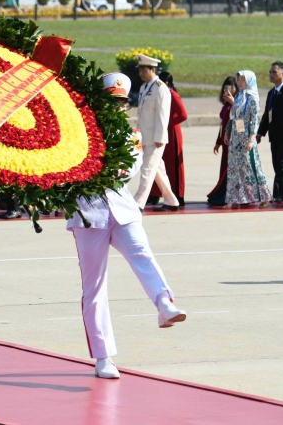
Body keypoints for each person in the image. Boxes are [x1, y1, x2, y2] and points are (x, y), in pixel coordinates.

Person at [67, 73, 186, 380]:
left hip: (121, 208)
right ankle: (103, 356)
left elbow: (127, 168)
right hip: (88, 213)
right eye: (111, 101)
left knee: (143, 254)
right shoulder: (78, 129)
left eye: (120, 102)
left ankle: (164, 303)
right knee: (94, 287)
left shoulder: (128, 133)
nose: (116, 107)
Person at [132, 54, 180, 212]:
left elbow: (163, 114)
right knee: (158, 170)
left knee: (147, 170)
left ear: (152, 70)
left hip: (155, 138)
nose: (140, 73)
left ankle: (138, 203)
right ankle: (172, 201)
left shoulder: (160, 88)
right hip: (144, 136)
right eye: (140, 70)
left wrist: (160, 137)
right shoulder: (145, 87)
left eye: (143, 70)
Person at [226, 70, 272, 207]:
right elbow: (234, 116)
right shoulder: (240, 96)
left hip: (246, 139)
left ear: (249, 81)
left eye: (243, 80)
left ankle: (265, 196)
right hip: (236, 138)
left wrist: (252, 138)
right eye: (238, 80)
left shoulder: (252, 98)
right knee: (235, 169)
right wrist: (228, 132)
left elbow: (254, 121)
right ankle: (237, 198)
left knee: (252, 168)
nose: (240, 83)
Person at [147, 72, 187, 206]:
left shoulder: (172, 94)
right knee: (156, 162)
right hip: (160, 132)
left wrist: (166, 123)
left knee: (172, 166)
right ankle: (154, 193)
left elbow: (183, 115)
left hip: (172, 134)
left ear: (167, 83)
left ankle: (177, 195)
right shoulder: (159, 93)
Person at [257, 62, 283, 203]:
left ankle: (277, 196)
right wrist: (260, 133)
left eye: (274, 72)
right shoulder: (272, 93)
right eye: (270, 72)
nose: (270, 74)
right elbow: (267, 115)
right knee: (278, 166)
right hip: (275, 136)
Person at [207, 77, 236, 206]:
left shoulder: (237, 103)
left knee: (230, 169)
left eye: (231, 88)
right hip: (225, 142)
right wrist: (218, 141)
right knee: (224, 168)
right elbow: (222, 125)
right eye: (225, 88)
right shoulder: (226, 105)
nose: (227, 91)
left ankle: (229, 195)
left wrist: (234, 103)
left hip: (234, 141)